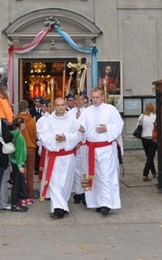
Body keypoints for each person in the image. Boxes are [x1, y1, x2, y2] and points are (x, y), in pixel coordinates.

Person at [78, 87, 124, 216]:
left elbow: (119, 125)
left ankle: (107, 203)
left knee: (106, 176)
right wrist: (80, 130)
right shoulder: (86, 112)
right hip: (90, 149)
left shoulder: (111, 110)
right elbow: (81, 127)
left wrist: (107, 128)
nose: (95, 100)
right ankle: (96, 202)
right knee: (93, 176)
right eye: (93, 97)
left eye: (98, 97)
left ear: (103, 97)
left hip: (106, 149)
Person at [36, 97, 82, 219]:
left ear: (65, 105)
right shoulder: (48, 121)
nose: (60, 107)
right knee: (54, 182)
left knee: (65, 183)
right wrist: (54, 138)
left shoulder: (72, 120)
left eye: (62, 105)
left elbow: (78, 134)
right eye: (58, 105)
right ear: (54, 106)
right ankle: (58, 209)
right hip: (54, 156)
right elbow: (42, 135)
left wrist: (66, 137)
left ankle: (62, 205)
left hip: (68, 157)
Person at [0, 85, 14, 210]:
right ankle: (2, 201)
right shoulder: (3, 100)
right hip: (3, 123)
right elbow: (9, 116)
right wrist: (10, 121)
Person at [16, 100, 37, 202]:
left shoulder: (15, 119)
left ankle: (21, 193)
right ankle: (30, 194)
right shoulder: (32, 120)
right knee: (30, 173)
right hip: (30, 148)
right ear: (27, 108)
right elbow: (34, 135)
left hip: (19, 149)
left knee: (20, 173)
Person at [8, 117, 29, 212]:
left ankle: (15, 202)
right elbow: (19, 152)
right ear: (21, 125)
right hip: (18, 163)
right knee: (16, 184)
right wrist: (20, 165)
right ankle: (15, 204)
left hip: (13, 161)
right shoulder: (19, 136)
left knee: (16, 184)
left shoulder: (13, 134)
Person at [140, 103, 157, 181]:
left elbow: (138, 126)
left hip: (144, 138)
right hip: (153, 138)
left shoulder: (142, 116)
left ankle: (153, 172)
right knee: (150, 157)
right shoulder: (155, 117)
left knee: (149, 156)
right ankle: (145, 174)